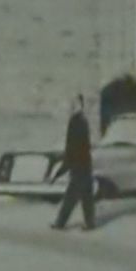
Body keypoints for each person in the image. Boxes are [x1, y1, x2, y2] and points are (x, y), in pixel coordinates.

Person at [51, 94, 98, 232]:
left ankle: (61, 223)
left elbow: (73, 145)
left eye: (75, 103)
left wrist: (67, 164)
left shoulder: (76, 121)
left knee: (72, 196)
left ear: (80, 105)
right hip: (84, 164)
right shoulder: (82, 121)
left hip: (79, 164)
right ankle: (90, 223)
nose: (71, 106)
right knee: (86, 196)